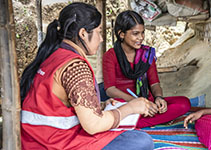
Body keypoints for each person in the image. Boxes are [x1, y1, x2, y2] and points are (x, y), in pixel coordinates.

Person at [20, 3, 154, 150]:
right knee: (142, 141)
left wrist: (100, 105)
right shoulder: (75, 67)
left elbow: (58, 105)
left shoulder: (53, 55)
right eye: (98, 32)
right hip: (57, 143)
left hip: (35, 139)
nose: (101, 39)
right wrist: (130, 108)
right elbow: (94, 125)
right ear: (83, 33)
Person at [102, 10, 191, 128]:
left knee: (184, 103)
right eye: (135, 33)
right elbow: (110, 89)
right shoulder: (110, 55)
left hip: (148, 102)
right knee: (115, 110)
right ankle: (136, 120)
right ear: (121, 34)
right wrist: (137, 103)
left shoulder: (146, 54)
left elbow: (154, 83)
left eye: (142, 33)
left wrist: (159, 98)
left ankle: (129, 122)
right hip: (124, 104)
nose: (141, 37)